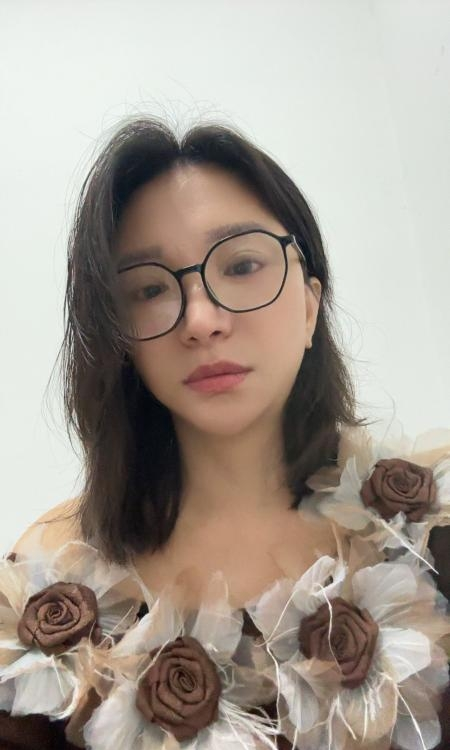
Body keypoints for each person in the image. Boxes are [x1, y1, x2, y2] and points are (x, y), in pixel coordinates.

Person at [0, 117, 448, 750]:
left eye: (241, 264)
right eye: (149, 288)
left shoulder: (431, 534)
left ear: (311, 304)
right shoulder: (49, 581)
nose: (202, 319)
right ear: (118, 340)